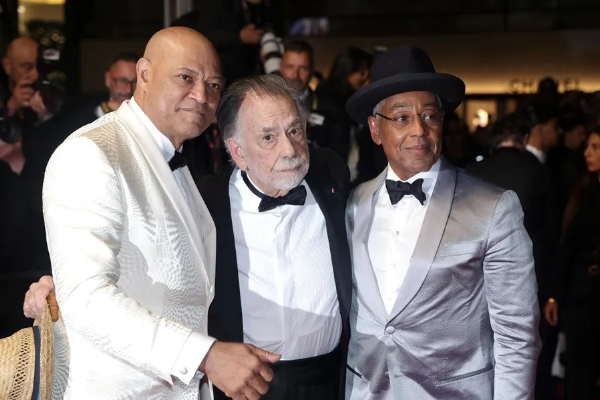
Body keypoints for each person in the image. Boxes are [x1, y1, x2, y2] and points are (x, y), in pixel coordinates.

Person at [24, 27, 279, 400]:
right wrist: (205, 356)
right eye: (185, 78)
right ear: (144, 74)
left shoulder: (175, 161)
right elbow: (86, 298)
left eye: (213, 84)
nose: (201, 95)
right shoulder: (92, 153)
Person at [344, 46, 541, 399]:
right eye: (402, 118)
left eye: (430, 116)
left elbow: (517, 337)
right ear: (375, 128)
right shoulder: (355, 203)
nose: (419, 130)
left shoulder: (495, 208)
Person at [203, 74, 351, 400]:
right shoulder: (205, 205)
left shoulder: (332, 176)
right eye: (268, 137)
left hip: (330, 382)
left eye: (294, 130)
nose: (290, 149)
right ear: (238, 152)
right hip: (244, 387)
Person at [544, 127, 600, 400]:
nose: (588, 153)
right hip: (581, 296)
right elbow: (565, 248)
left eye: (596, 147)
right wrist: (554, 296)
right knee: (579, 372)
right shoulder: (582, 191)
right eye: (588, 146)